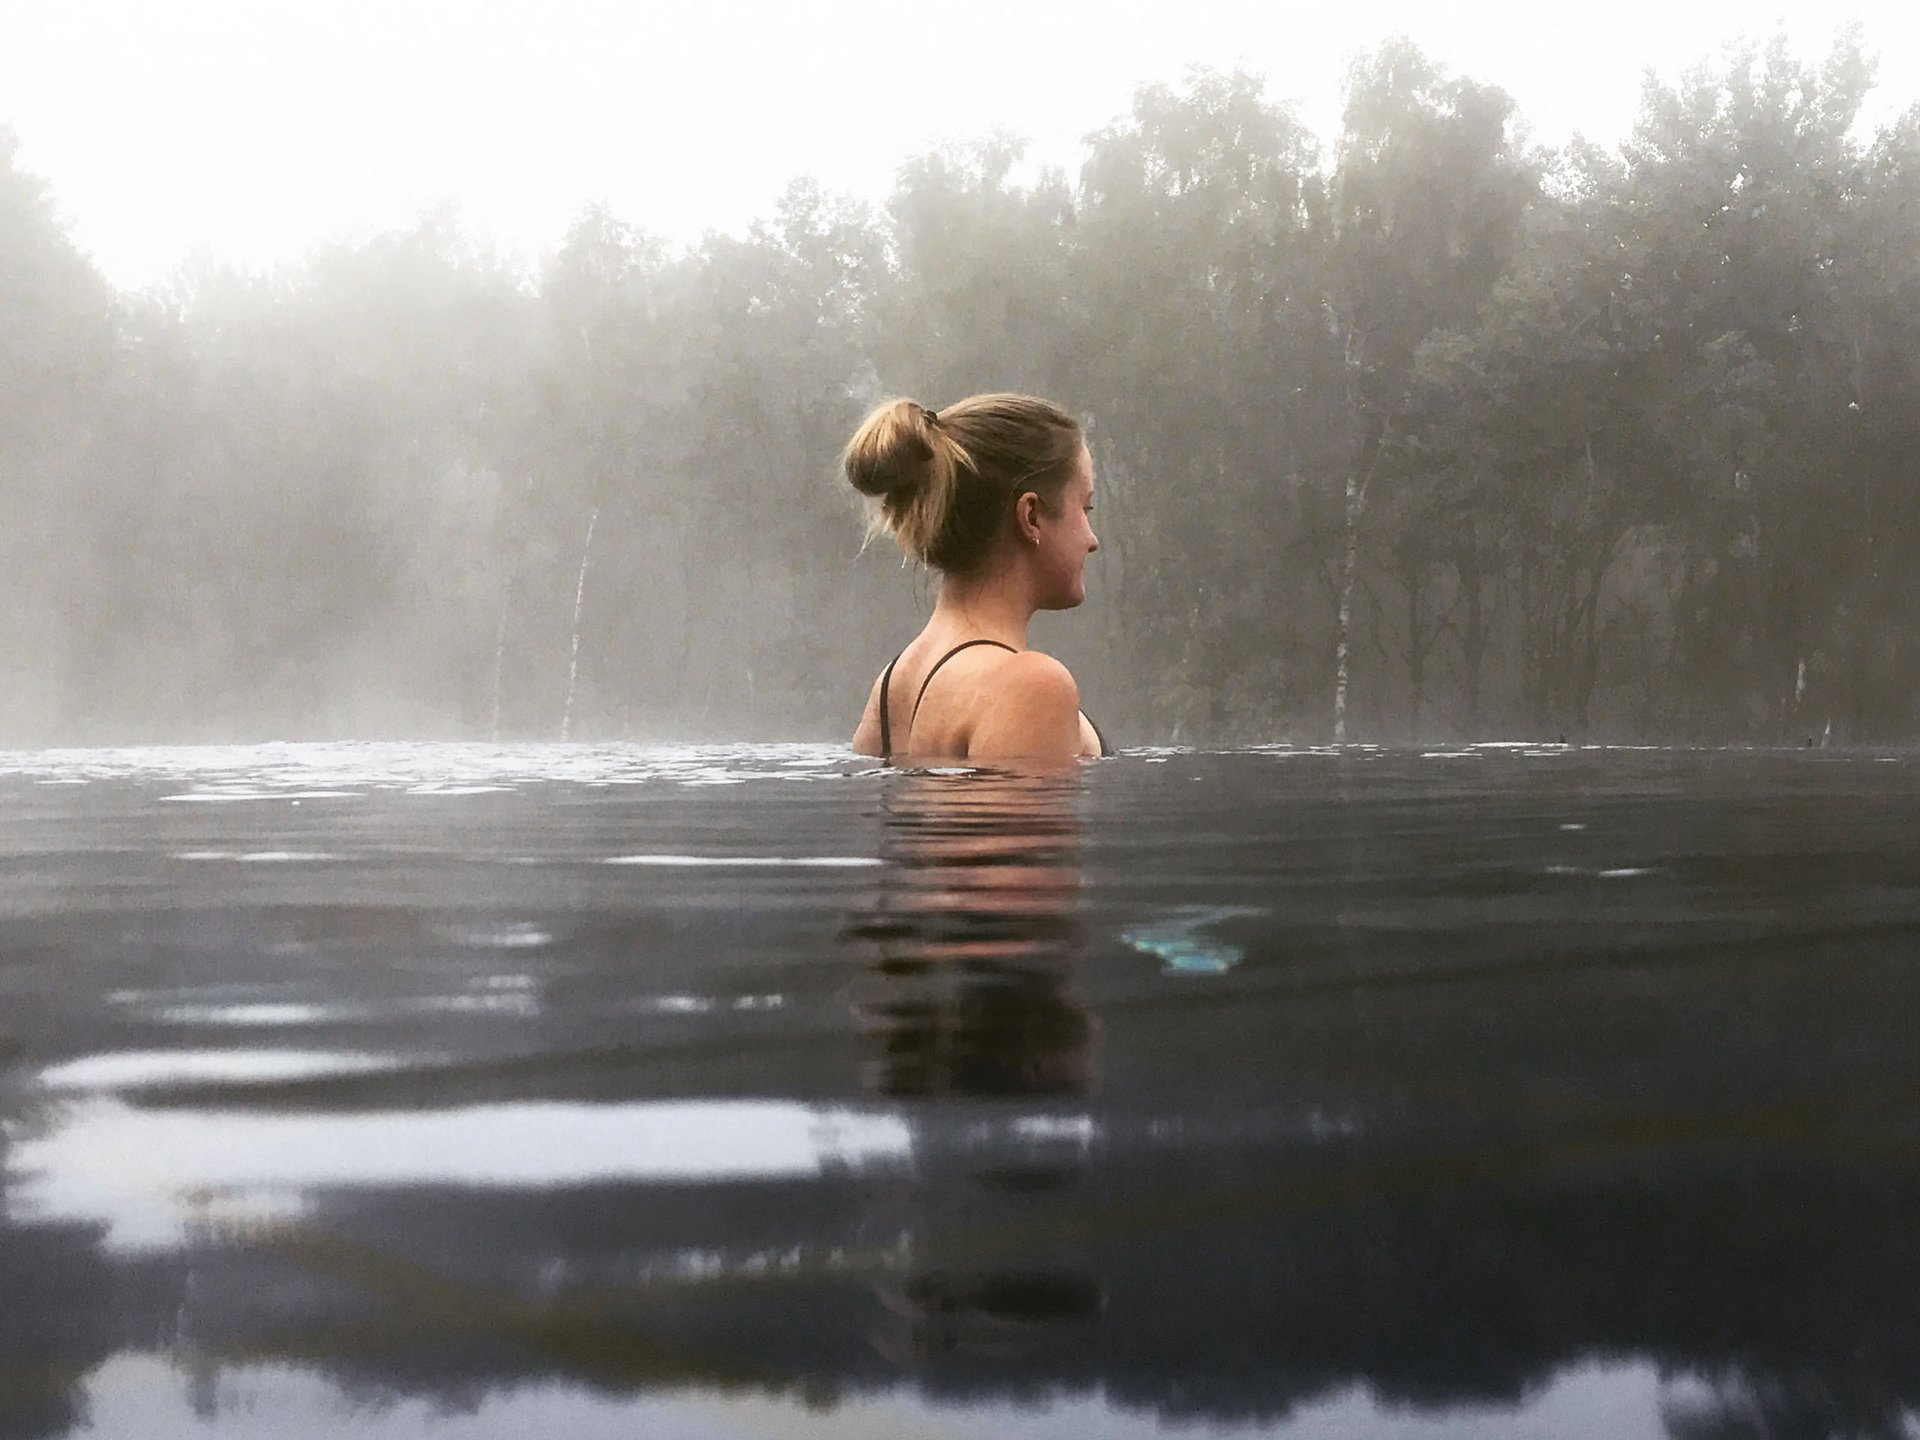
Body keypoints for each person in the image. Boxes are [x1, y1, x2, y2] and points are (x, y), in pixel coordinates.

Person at [845, 393, 1109, 763]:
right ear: (1031, 516)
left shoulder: (892, 686)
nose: (1092, 539)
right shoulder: (1028, 686)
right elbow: (1008, 823)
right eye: (1085, 508)